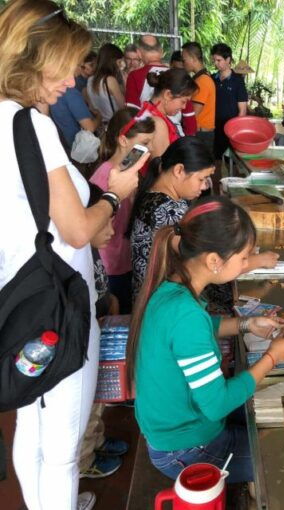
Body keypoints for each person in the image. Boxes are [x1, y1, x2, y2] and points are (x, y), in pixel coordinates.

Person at [0, 2, 147, 509]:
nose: (71, 81)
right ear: (33, 59)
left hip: (17, 293)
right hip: (58, 298)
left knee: (30, 419)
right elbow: (78, 229)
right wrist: (116, 192)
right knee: (62, 450)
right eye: (64, 67)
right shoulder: (33, 126)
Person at [127, 196, 284, 480]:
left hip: (179, 425)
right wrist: (272, 357)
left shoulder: (172, 288)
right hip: (187, 450)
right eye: (244, 257)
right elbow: (217, 404)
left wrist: (247, 324)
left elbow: (201, 328)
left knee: (278, 415)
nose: (247, 263)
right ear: (214, 261)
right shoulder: (186, 316)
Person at [129, 136, 279, 305]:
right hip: (165, 303)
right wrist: (258, 261)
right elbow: (210, 261)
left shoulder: (159, 196)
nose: (203, 187)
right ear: (179, 170)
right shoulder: (167, 210)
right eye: (201, 179)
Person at [78, 183, 129, 480]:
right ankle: (85, 460)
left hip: (99, 332)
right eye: (105, 221)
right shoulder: (76, 254)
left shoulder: (93, 250)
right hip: (85, 340)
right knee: (85, 408)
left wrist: (110, 299)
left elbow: (100, 285)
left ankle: (97, 441)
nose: (111, 229)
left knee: (97, 401)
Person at [90, 107, 155, 314]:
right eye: (144, 143)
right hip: (110, 265)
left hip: (124, 261)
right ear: (123, 140)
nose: (149, 149)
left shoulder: (130, 172)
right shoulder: (104, 177)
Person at [125, 35, 197, 137]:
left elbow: (132, 113)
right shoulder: (178, 76)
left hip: (148, 135)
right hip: (176, 136)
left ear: (139, 53)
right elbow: (189, 118)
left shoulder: (135, 76)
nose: (183, 105)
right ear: (161, 51)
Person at [139, 68, 197, 158]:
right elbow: (162, 167)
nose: (184, 107)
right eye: (183, 101)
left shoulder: (147, 112)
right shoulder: (158, 123)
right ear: (168, 95)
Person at [211, 43, 247, 168]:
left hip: (231, 129)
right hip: (214, 128)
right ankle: (216, 186)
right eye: (214, 60)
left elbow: (242, 110)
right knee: (215, 163)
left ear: (228, 60)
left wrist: (236, 132)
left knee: (232, 163)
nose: (215, 63)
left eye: (219, 60)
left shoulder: (238, 81)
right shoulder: (211, 79)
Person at [182, 41, 216, 159]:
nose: (183, 62)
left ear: (193, 58)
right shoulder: (200, 78)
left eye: (184, 59)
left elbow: (194, 113)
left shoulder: (202, 81)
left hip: (201, 134)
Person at [85, 43, 126, 125]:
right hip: (113, 124)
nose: (120, 65)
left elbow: (92, 107)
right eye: (119, 62)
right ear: (113, 61)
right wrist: (125, 82)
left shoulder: (90, 80)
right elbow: (123, 106)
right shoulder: (110, 80)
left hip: (101, 125)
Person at [49, 85, 100, 151]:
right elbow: (90, 128)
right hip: (78, 147)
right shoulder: (70, 92)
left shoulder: (49, 92)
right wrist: (99, 117)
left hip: (61, 146)